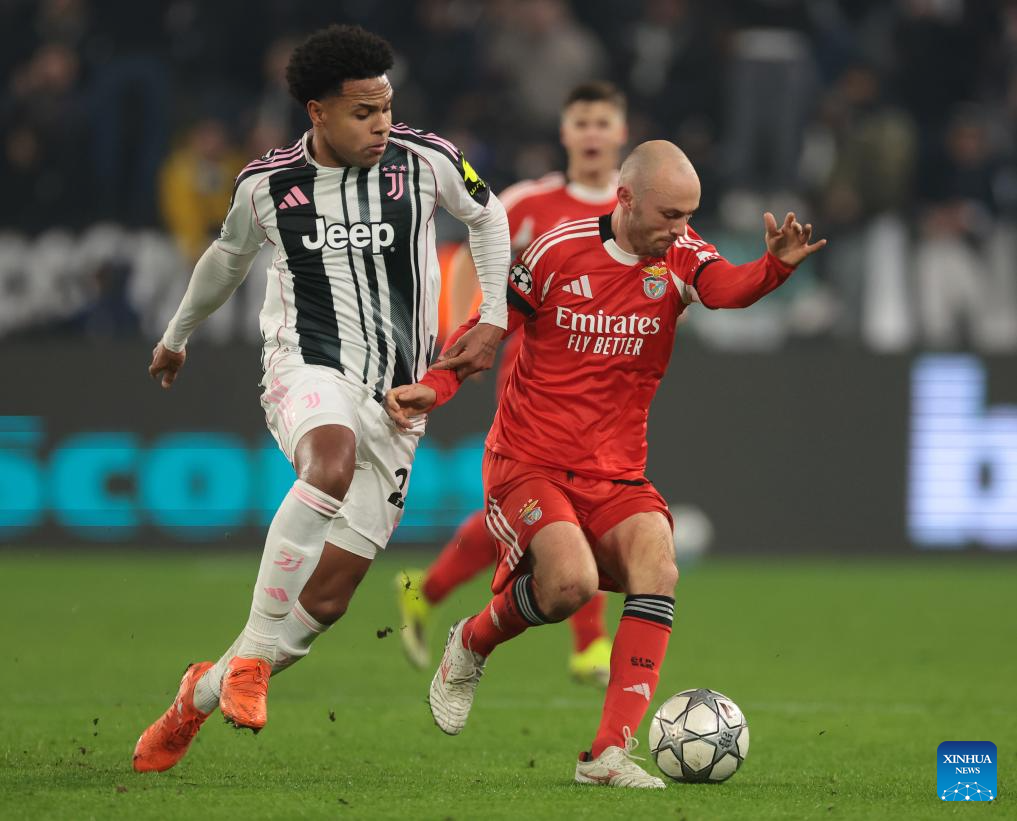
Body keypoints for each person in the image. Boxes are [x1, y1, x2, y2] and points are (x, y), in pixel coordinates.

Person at [386, 141, 826, 789]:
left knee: (659, 565)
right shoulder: (556, 251)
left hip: (616, 473)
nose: (681, 228)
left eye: (689, 215)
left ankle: (605, 754)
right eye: (669, 214)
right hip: (528, 463)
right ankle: (471, 642)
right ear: (624, 199)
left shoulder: (681, 255)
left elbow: (726, 290)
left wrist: (772, 268)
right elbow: (485, 332)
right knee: (569, 584)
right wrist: (434, 387)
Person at [132, 24, 511, 773]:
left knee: (325, 604)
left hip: (397, 399)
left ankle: (196, 696)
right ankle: (248, 662)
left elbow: (487, 216)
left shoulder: (425, 160)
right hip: (306, 366)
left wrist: (492, 317)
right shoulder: (267, 185)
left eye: (386, 107)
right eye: (363, 112)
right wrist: (176, 335)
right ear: (317, 111)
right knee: (328, 463)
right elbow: (227, 257)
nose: (381, 124)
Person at [396, 81, 627, 686]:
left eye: (603, 122)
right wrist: (469, 330)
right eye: (582, 122)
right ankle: (590, 644)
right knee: (571, 500)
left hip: (605, 381)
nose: (593, 133)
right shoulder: (528, 202)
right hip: (532, 378)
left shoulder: (636, 208)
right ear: (565, 132)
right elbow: (472, 255)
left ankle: (426, 589)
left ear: (621, 133)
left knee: (526, 513)